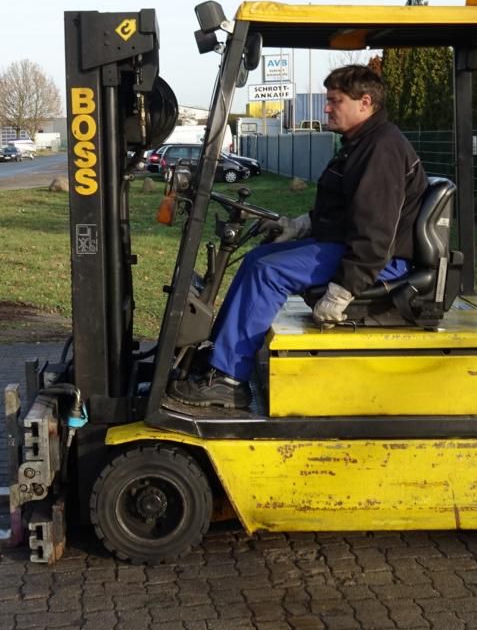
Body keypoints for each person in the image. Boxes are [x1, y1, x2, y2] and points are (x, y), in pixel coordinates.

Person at [167, 65, 429, 410]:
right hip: (357, 248)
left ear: (365, 102)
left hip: (379, 263)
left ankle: (229, 381)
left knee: (268, 271)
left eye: (334, 100)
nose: (326, 108)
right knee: (257, 259)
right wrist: (302, 225)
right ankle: (218, 356)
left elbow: (376, 232)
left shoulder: (381, 149)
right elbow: (346, 210)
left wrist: (343, 289)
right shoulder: (361, 143)